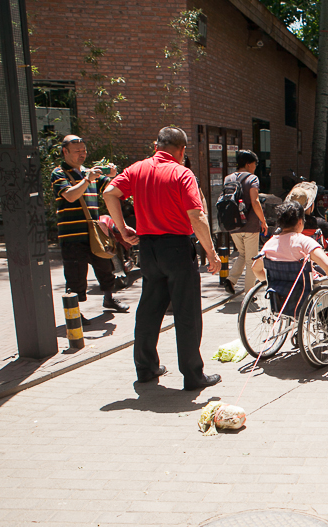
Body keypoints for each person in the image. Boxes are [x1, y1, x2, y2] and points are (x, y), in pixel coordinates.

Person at [103, 127, 222, 391]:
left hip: (148, 249)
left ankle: (145, 369)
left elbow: (109, 193)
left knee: (149, 310)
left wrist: (122, 229)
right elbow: (197, 216)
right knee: (186, 312)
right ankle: (193, 375)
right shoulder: (182, 172)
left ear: (156, 146)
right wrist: (211, 254)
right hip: (178, 248)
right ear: (181, 151)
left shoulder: (138, 169)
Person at [50, 134, 129, 318]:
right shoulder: (59, 173)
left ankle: (109, 299)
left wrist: (112, 176)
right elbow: (70, 196)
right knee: (75, 275)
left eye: (84, 151)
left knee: (105, 266)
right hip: (72, 236)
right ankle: (75, 314)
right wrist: (87, 180)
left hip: (94, 234)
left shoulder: (90, 173)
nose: (82, 154)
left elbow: (111, 191)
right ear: (65, 152)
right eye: (77, 151)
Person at [251, 201, 328, 309]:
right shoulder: (305, 242)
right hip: (307, 294)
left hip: (280, 294)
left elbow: (255, 268)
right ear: (300, 222)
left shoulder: (270, 244)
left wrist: (271, 284)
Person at [223, 150, 268, 294]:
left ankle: (230, 280)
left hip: (233, 225)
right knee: (251, 260)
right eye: (254, 164)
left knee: (242, 255)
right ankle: (250, 293)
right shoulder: (252, 179)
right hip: (250, 225)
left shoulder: (228, 179)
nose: (255, 167)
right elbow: (255, 201)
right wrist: (263, 221)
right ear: (248, 164)